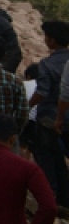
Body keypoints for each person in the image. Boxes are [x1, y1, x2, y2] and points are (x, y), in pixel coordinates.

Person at [30, 21, 69, 208]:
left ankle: (50, 199)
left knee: (49, 159)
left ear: (52, 41)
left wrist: (27, 105)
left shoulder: (47, 64)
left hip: (50, 118)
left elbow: (42, 92)